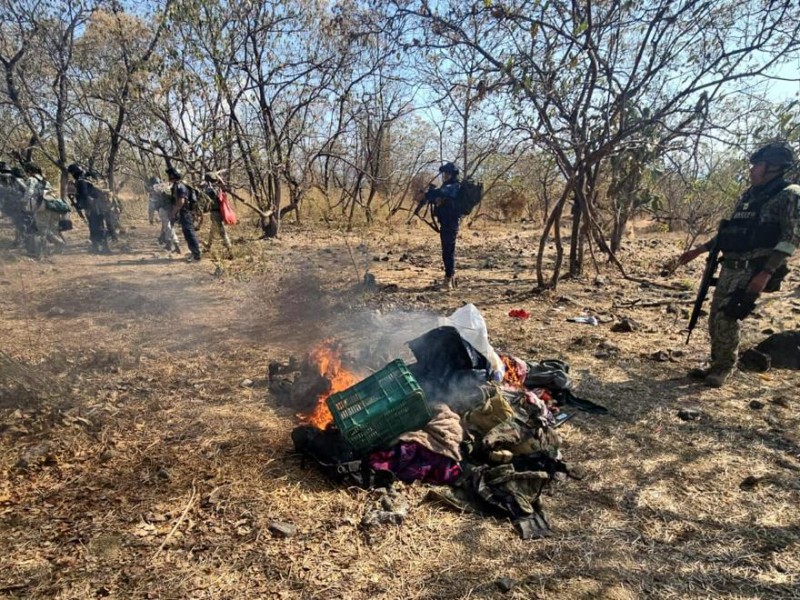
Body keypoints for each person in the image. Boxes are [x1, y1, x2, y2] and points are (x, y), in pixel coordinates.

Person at [673, 142, 800, 388]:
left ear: (773, 168)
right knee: (715, 318)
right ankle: (717, 363)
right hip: (730, 266)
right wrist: (699, 250)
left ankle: (723, 369)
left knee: (728, 317)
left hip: (755, 268)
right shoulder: (749, 196)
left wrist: (766, 272)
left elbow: (791, 237)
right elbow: (730, 231)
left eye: (757, 165)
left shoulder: (789, 195)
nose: (752, 170)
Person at [424, 162, 462, 290]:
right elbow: (437, 196)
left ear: (452, 174)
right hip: (445, 222)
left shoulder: (454, 187)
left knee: (448, 251)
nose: (445, 175)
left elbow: (440, 193)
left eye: (447, 173)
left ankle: (448, 280)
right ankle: (451, 277)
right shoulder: (448, 186)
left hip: (450, 223)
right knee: (447, 250)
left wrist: (431, 193)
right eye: (445, 173)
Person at [68, 163, 112, 254]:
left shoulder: (81, 181)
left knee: (97, 227)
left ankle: (104, 248)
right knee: (95, 227)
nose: (72, 175)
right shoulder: (87, 180)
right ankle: (96, 247)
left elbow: (85, 195)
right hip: (98, 206)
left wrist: (82, 206)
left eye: (72, 173)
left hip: (93, 207)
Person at [166, 166, 201, 262]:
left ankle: (196, 255)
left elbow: (181, 202)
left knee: (189, 233)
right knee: (187, 233)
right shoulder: (177, 185)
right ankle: (194, 253)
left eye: (170, 174)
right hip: (184, 213)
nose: (169, 176)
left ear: (174, 175)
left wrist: (173, 213)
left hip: (185, 213)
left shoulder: (180, 186)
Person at [147, 176, 181, 254]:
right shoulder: (166, 186)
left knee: (168, 226)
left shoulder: (154, 190)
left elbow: (151, 207)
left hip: (163, 210)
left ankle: (174, 243)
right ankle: (168, 243)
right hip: (173, 209)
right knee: (168, 226)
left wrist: (151, 218)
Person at [202, 172, 232, 255]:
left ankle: (230, 250)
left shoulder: (210, 189)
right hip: (219, 211)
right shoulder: (219, 187)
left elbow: (206, 196)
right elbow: (224, 186)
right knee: (213, 229)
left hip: (215, 212)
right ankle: (208, 246)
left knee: (222, 232)